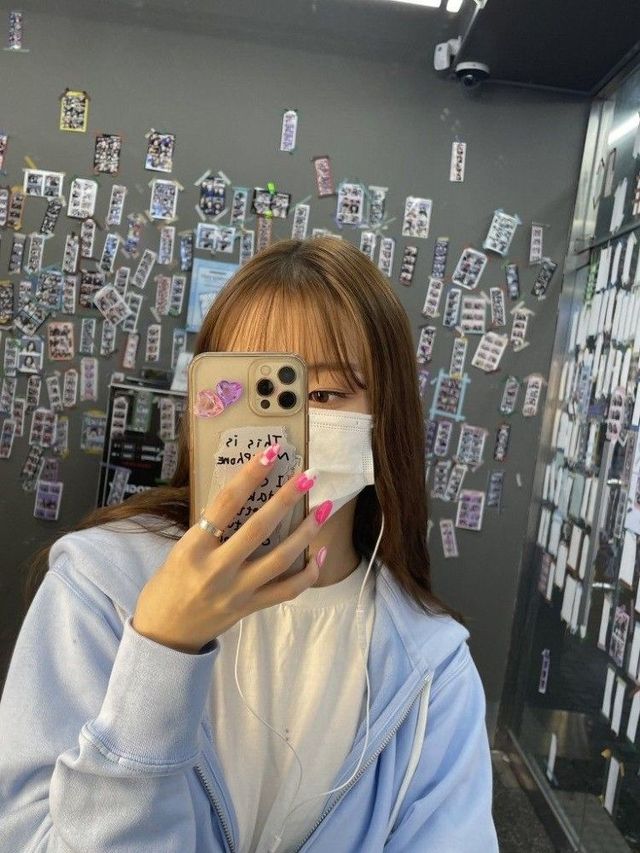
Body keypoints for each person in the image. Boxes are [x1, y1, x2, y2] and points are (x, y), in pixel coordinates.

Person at [0, 236, 499, 852]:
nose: (284, 431)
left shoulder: (432, 669)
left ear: (385, 413)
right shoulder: (99, 585)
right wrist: (161, 648)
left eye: (323, 394)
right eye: (253, 394)